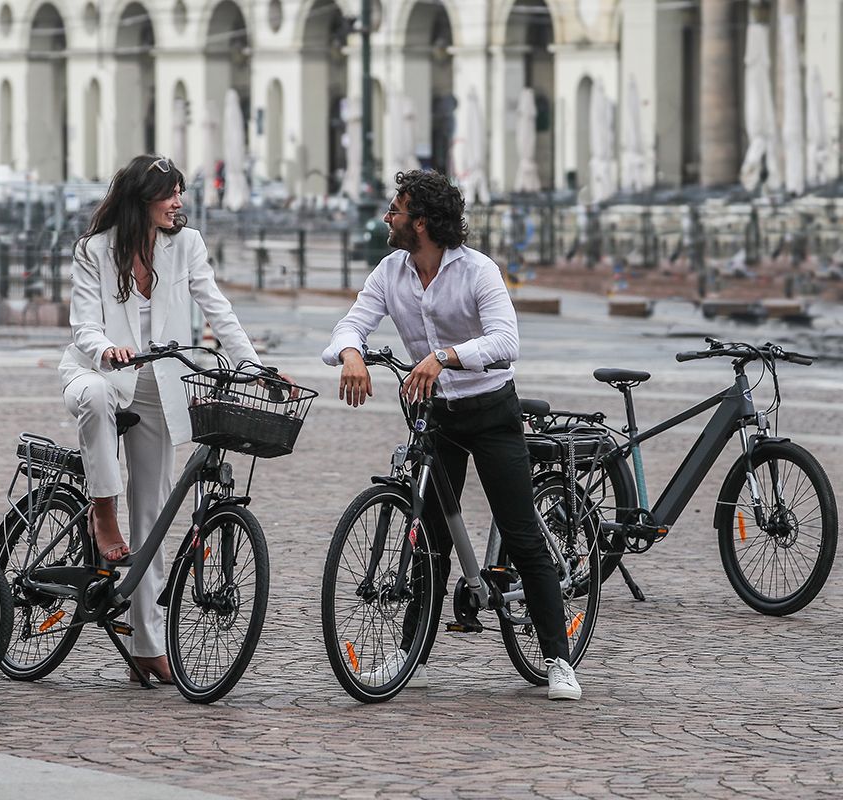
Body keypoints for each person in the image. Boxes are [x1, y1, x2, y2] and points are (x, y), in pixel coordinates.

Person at [321, 169, 582, 701]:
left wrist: (445, 357)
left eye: (396, 209)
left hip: (490, 411)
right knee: (429, 541)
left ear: (421, 222)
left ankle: (557, 658)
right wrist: (350, 354)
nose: (387, 216)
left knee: (522, 531)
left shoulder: (477, 270)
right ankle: (406, 650)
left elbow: (506, 341)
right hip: (435, 415)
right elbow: (352, 324)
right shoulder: (390, 272)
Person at [59, 154, 279, 685]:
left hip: (161, 386)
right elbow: (83, 323)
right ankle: (101, 511)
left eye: (181, 192)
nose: (179, 202)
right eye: (170, 193)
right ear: (142, 200)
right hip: (103, 373)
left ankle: (146, 643)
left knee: (154, 516)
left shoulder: (188, 245)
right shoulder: (94, 250)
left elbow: (216, 306)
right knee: (92, 397)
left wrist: (252, 365)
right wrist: (108, 349)